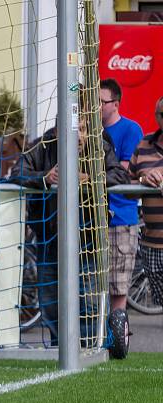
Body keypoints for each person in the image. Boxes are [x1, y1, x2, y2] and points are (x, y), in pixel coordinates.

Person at [7, 114, 129, 347]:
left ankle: (90, 348)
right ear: (57, 130)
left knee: (89, 303)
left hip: (88, 239)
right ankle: (58, 347)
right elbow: (18, 172)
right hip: (50, 238)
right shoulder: (42, 146)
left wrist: (91, 179)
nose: (79, 136)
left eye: (83, 129)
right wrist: (45, 177)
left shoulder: (100, 145)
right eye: (74, 129)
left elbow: (121, 174)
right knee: (51, 302)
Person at [100, 78, 144, 359]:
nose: (97, 106)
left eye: (102, 101)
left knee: (118, 287)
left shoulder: (130, 129)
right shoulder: (88, 131)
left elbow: (124, 170)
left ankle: (118, 344)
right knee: (93, 286)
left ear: (115, 103)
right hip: (93, 219)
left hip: (120, 218)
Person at [130, 96, 163, 323]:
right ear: (156, 116)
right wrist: (143, 179)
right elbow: (125, 185)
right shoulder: (144, 145)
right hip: (152, 244)